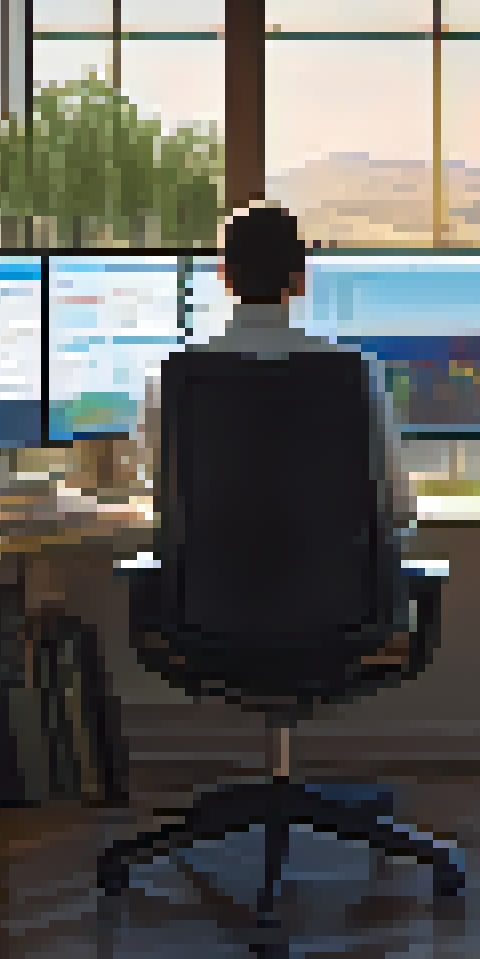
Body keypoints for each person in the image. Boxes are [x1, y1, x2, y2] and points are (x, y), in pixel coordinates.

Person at [130, 203, 418, 662]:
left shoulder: (173, 378)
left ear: (224, 277)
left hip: (207, 619)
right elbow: (399, 512)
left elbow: (162, 498)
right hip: (340, 619)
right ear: (299, 279)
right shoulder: (356, 374)